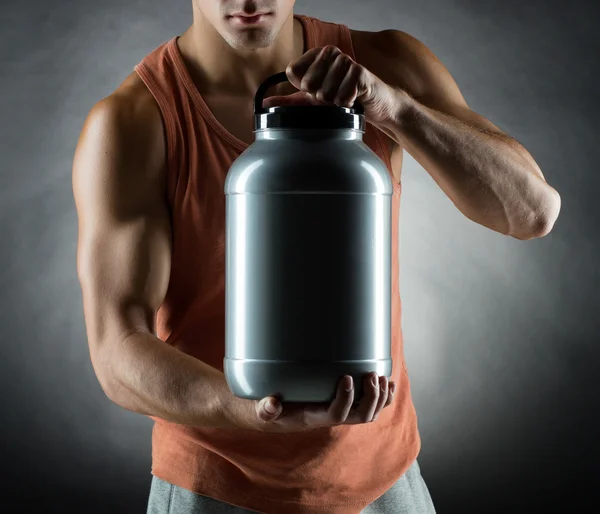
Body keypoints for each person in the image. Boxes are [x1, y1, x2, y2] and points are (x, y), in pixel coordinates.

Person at [72, 1, 561, 512]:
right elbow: (117, 349)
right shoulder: (135, 121)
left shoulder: (384, 64)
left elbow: (532, 211)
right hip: (214, 487)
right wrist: (247, 408)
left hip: (384, 480)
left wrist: (395, 109)